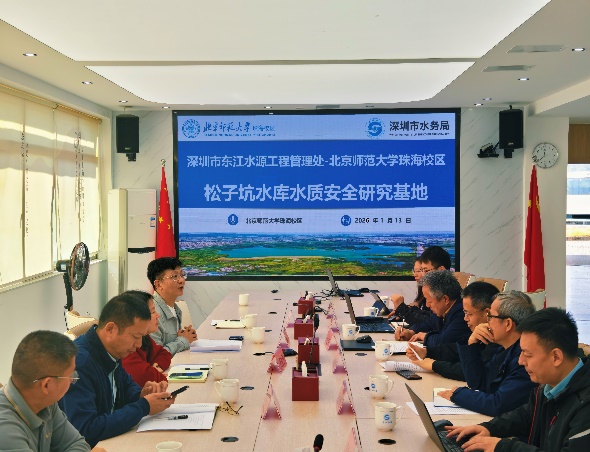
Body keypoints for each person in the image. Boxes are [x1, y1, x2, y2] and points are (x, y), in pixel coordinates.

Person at [446, 308, 590, 451]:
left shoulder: (585, 405)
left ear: (556, 357)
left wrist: (503, 447)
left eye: (527, 355)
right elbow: (526, 416)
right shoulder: (547, 387)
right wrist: (488, 428)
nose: (520, 361)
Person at [59, 292, 177, 448]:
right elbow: (86, 430)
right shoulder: (79, 364)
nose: (139, 345)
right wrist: (143, 406)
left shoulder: (112, 350)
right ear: (110, 329)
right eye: (136, 336)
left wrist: (141, 395)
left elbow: (125, 389)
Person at [435, 290, 537, 416]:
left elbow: (498, 404)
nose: (487, 321)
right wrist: (472, 344)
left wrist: (458, 394)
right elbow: (479, 383)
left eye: (491, 316)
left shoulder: (525, 358)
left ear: (508, 324)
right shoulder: (502, 348)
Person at [0, 330, 104, 452]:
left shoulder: (46, 403)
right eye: (70, 376)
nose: (72, 380)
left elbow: (78, 443)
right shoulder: (5, 431)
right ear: (47, 385)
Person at [407, 281, 500, 381]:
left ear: (487, 313)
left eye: (469, 314)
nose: (465, 318)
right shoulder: (483, 332)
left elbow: (474, 371)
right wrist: (427, 352)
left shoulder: (499, 339)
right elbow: (456, 349)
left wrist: (434, 365)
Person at [396, 270, 471, 347]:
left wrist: (424, 336)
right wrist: (411, 332)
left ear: (445, 299)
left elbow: (444, 342)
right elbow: (429, 323)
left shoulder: (463, 312)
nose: (427, 305)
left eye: (429, 301)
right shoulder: (443, 309)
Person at [388, 246, 451, 325]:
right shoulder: (433, 289)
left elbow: (432, 323)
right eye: (421, 270)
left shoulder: (446, 292)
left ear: (441, 270)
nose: (423, 275)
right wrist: (404, 311)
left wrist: (403, 310)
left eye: (426, 271)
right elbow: (429, 316)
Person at [147, 257, 197, 355]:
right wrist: (183, 340)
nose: (181, 280)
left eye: (182, 275)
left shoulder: (175, 308)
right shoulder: (152, 313)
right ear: (158, 284)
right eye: (174, 276)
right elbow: (156, 356)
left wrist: (185, 335)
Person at [122, 290, 172, 387]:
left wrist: (156, 366)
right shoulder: (125, 344)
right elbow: (145, 378)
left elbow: (164, 353)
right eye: (153, 312)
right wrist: (154, 373)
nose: (158, 315)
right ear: (137, 318)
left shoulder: (144, 337)